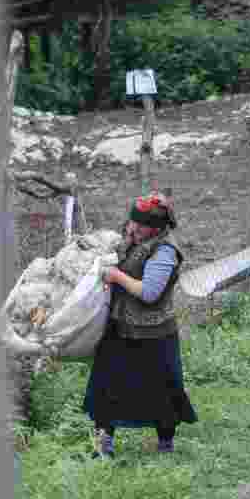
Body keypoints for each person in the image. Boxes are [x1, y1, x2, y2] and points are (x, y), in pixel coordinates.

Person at [82, 191, 197, 459]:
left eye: (140, 225)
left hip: (154, 335)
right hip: (119, 327)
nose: (133, 227)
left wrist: (116, 276)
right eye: (132, 222)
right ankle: (102, 448)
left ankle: (165, 447)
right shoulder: (133, 239)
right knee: (106, 387)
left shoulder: (166, 251)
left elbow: (149, 292)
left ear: (157, 228)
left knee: (161, 393)